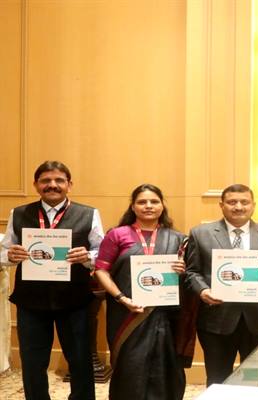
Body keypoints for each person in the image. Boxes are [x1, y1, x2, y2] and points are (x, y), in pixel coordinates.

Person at [0, 160, 104, 400]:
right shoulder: (19, 213)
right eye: (45, 180)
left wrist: (88, 256)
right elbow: (3, 252)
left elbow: (102, 253)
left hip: (75, 300)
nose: (52, 185)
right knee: (33, 362)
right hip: (31, 301)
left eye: (59, 180)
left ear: (69, 184)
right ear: (36, 185)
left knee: (80, 360)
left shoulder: (89, 214)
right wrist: (10, 256)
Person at [184, 183, 258, 386]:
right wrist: (203, 290)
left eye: (244, 202)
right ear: (221, 205)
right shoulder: (200, 233)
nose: (238, 207)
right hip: (217, 320)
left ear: (253, 205)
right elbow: (191, 272)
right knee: (218, 380)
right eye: (232, 202)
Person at [94, 184, 188, 400]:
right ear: (133, 207)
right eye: (142, 202)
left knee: (164, 366)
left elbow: (187, 277)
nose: (148, 206)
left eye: (154, 201)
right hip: (126, 313)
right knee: (130, 367)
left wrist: (181, 270)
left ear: (162, 206)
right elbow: (101, 270)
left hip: (164, 315)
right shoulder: (117, 235)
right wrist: (121, 298)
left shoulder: (177, 238)